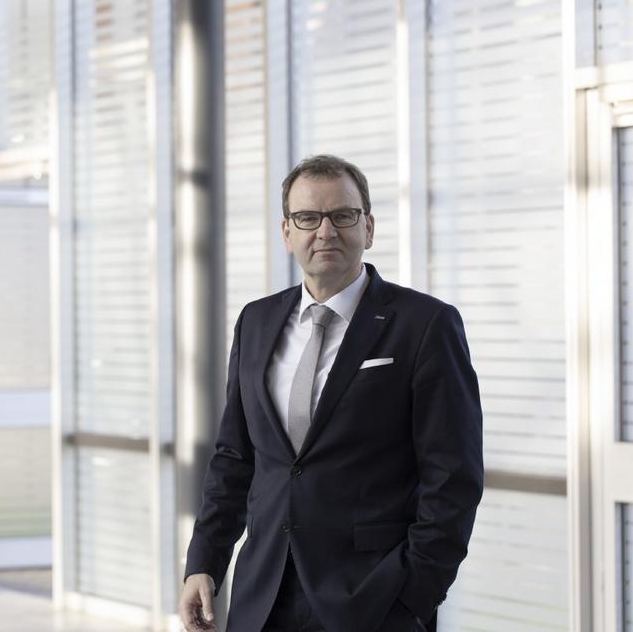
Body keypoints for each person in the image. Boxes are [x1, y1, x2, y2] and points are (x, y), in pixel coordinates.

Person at [178, 155, 484, 632]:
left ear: (368, 227)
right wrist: (204, 562)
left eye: (343, 215)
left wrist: (413, 594)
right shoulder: (256, 322)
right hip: (264, 595)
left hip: (374, 598)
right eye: (308, 218)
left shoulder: (425, 324)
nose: (326, 232)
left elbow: (453, 477)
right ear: (287, 233)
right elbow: (234, 458)